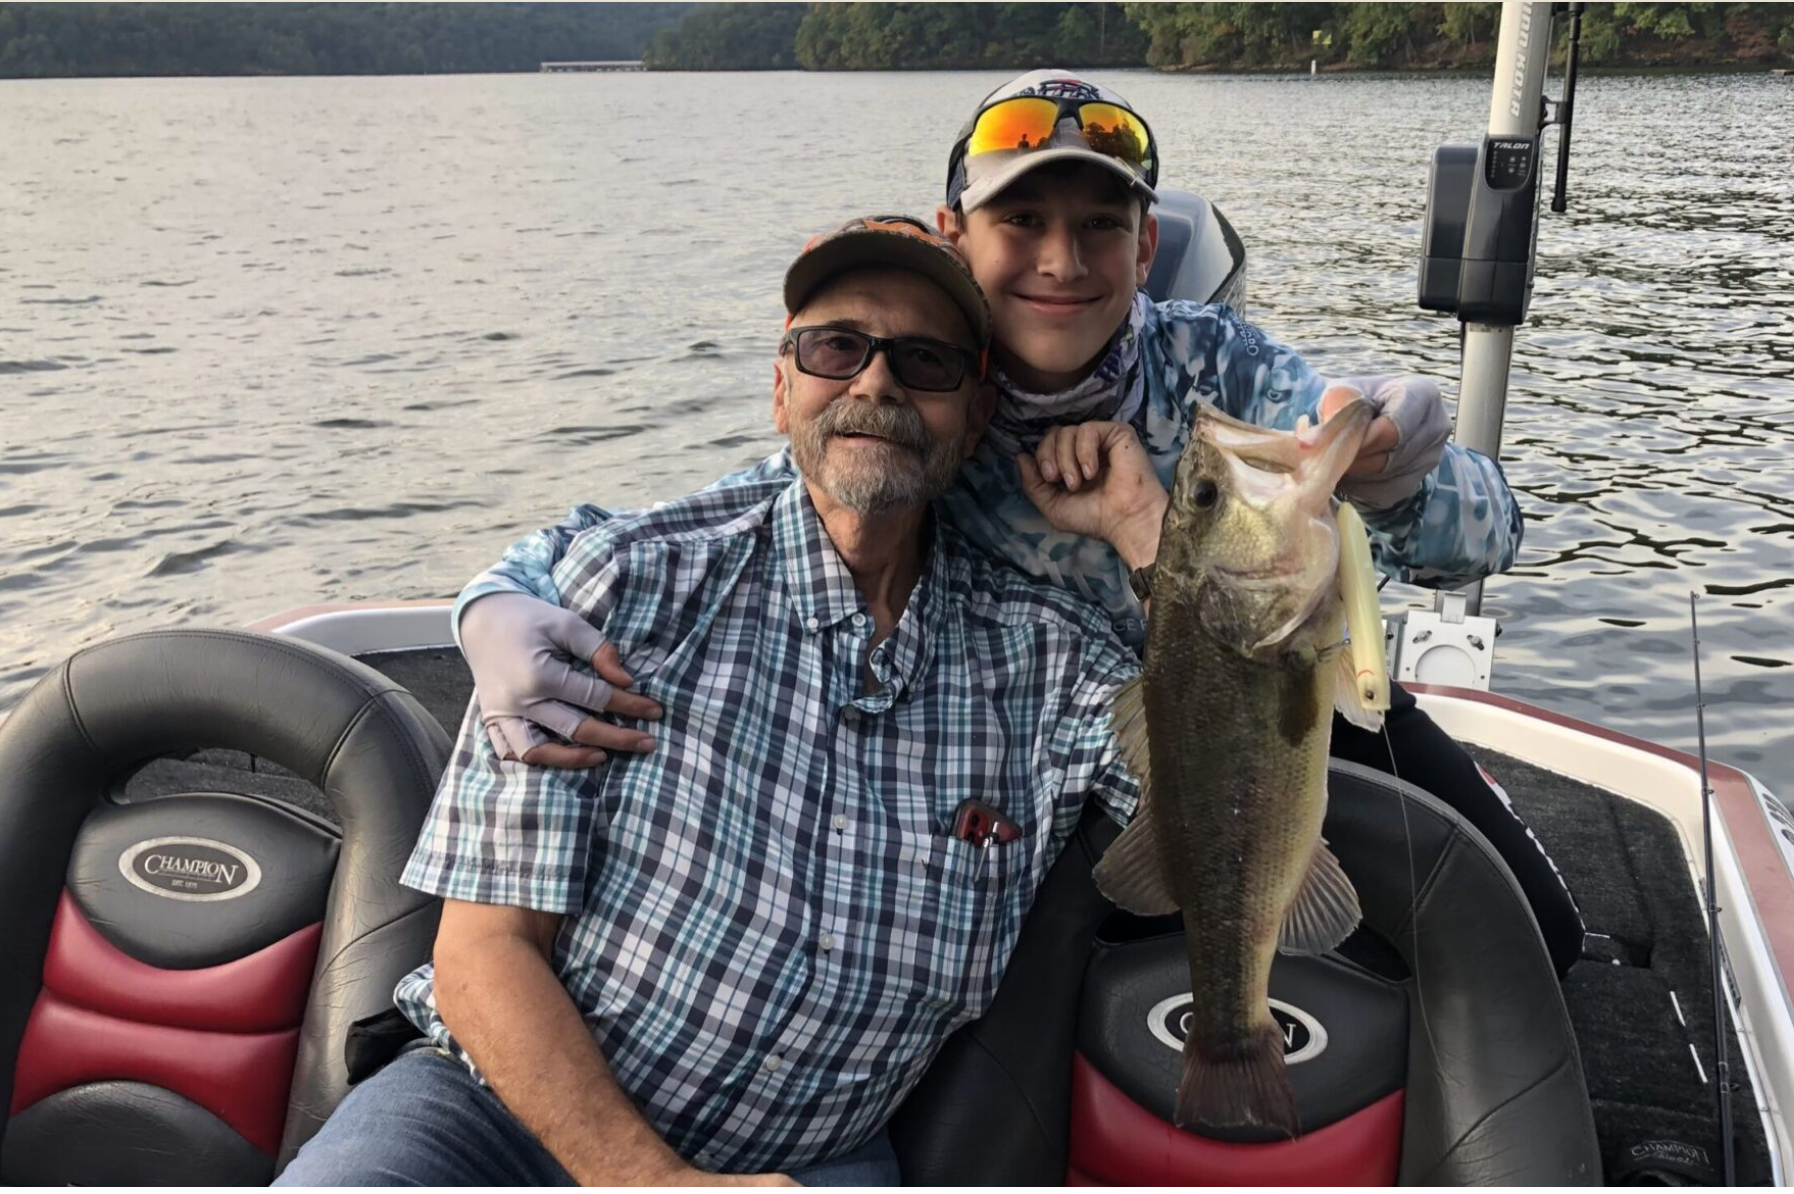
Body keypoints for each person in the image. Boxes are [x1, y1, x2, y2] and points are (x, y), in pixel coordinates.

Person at [457, 71, 1583, 977]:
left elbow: (1486, 537)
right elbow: (750, 500)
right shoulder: (917, 392)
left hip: (1266, 708)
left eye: (1102, 225)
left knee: (1534, 932)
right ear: (956, 232)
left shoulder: (1218, 369)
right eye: (1022, 219)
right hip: (1019, 764)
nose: (1062, 258)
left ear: (1147, 248)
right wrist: (495, 603)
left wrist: (1393, 475)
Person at [276, 218, 1153, 1186]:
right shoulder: (632, 586)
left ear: (978, 411)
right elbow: (485, 954)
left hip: (816, 1158)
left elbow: (1223, 817)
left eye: (925, 361)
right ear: (782, 389)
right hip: (488, 1112)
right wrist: (652, 1182)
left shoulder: (1048, 657)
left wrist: (1147, 533)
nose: (874, 384)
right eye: (835, 348)